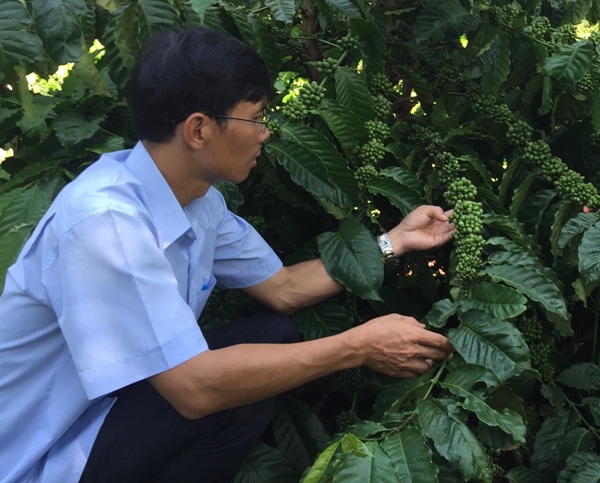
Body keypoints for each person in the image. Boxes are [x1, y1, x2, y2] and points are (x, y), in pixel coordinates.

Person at [0, 26, 455, 483]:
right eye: (255, 117)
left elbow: (284, 288)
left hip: (108, 411)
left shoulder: (198, 201)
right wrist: (356, 346)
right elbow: (194, 390)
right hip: (45, 456)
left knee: (274, 335)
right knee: (222, 393)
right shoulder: (104, 224)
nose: (265, 133)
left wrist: (394, 241)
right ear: (198, 129)